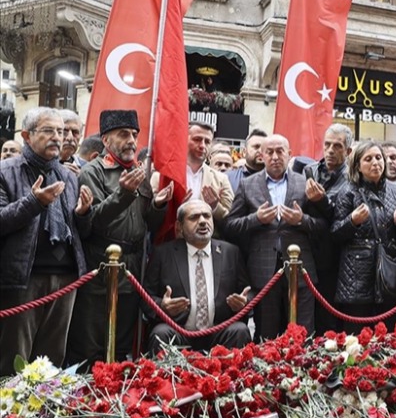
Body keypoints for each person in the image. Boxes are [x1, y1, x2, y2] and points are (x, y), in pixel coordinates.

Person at [66, 109, 174, 369]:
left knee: (122, 342)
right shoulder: (93, 172)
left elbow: (147, 222)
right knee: (92, 343)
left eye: (135, 135)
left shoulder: (138, 171)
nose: (132, 142)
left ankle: (116, 396)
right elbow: (91, 223)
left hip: (133, 268)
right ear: (105, 140)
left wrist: (158, 206)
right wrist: (123, 194)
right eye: (124, 134)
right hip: (101, 266)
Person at [0, 107, 93, 376]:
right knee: (14, 360)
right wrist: (34, 202)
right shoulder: (6, 172)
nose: (58, 137)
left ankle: (46, 415)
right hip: (23, 279)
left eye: (62, 131)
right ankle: (10, 417)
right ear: (27, 136)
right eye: (49, 130)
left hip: (66, 280)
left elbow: (80, 232)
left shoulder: (68, 176)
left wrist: (84, 214)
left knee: (51, 363)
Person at [224, 134, 324, 338]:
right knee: (266, 335)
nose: (275, 156)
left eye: (280, 151)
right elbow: (230, 226)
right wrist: (255, 219)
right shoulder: (248, 184)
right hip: (263, 272)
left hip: (301, 271)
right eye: (269, 152)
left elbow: (322, 226)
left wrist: (301, 220)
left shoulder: (305, 183)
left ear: (289, 154)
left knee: (303, 335)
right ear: (262, 156)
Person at [142, 200, 251, 354]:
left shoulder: (230, 252)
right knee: (161, 333)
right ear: (179, 227)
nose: (202, 221)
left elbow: (249, 293)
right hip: (178, 331)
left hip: (219, 331)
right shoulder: (163, 254)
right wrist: (162, 306)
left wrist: (243, 303)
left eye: (207, 216)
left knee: (240, 330)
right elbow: (146, 298)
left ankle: (234, 379)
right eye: (194, 218)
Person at [331, 141, 396, 333]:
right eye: (368, 159)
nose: (375, 163)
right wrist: (352, 221)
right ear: (358, 166)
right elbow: (334, 233)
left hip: (389, 276)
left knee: (390, 337)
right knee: (357, 339)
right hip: (357, 277)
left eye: (378, 157)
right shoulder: (348, 191)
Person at [304, 124, 353, 335]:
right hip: (308, 253)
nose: (331, 150)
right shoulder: (309, 171)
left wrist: (323, 201)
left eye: (338, 146)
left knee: (330, 319)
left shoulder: (353, 178)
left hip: (336, 257)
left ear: (348, 151)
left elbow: (341, 218)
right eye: (327, 144)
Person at [152, 120, 233, 223]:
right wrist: (173, 208)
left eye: (207, 142)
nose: (202, 145)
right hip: (172, 237)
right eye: (197, 139)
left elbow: (231, 220)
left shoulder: (221, 179)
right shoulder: (161, 176)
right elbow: (151, 219)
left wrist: (215, 207)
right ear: (184, 140)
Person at [227, 128, 267, 193]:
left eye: (264, 148)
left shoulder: (276, 180)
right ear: (244, 152)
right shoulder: (228, 178)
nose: (260, 151)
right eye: (256, 147)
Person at [58, 109, 84, 176]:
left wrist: (83, 178)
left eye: (75, 132)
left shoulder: (87, 168)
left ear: (81, 136)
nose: (70, 138)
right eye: (64, 131)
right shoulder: (39, 165)